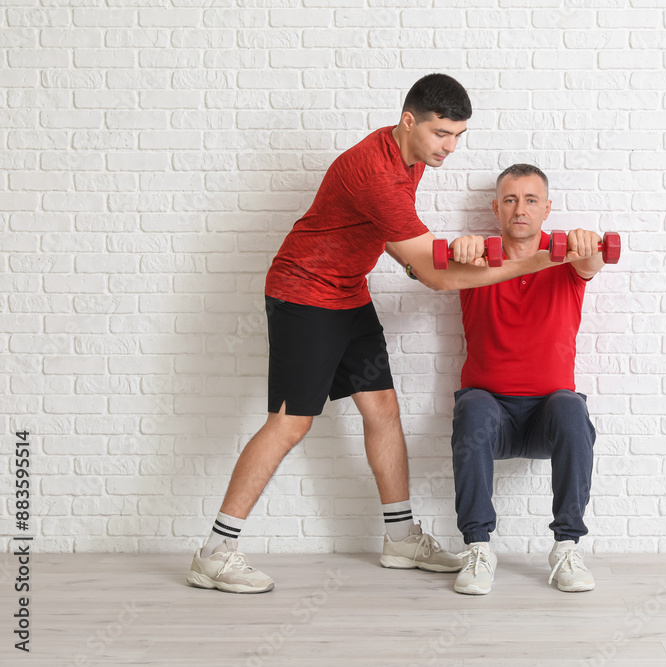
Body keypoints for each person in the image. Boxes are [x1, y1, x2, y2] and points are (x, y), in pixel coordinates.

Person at [187, 75, 558, 594]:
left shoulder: (408, 158)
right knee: (291, 423)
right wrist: (534, 262)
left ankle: (400, 536)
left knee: (382, 408)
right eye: (441, 134)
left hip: (347, 293)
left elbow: (390, 238)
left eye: (458, 136)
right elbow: (436, 276)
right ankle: (215, 552)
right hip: (303, 296)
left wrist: (423, 258)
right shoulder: (376, 173)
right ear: (409, 121)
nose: (449, 147)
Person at [447, 164, 609, 595]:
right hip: (491, 415)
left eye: (531, 199)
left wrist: (585, 244)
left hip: (547, 417)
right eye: (511, 199)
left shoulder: (568, 260)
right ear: (496, 208)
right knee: (473, 405)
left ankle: (567, 546)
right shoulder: (476, 260)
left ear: (546, 208)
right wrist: (461, 247)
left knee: (573, 407)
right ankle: (478, 548)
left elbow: (592, 261)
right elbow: (426, 268)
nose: (521, 208)